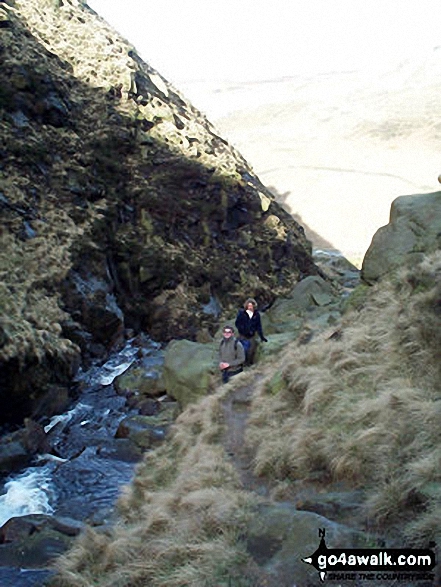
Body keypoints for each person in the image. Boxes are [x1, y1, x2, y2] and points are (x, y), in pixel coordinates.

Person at [235, 297, 267, 365]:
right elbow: (237, 323)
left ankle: (248, 364)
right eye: (249, 306)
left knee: (250, 351)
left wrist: (262, 337)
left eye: (252, 306)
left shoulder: (256, 315)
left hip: (251, 336)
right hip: (242, 335)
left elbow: (259, 326)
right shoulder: (241, 313)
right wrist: (243, 329)